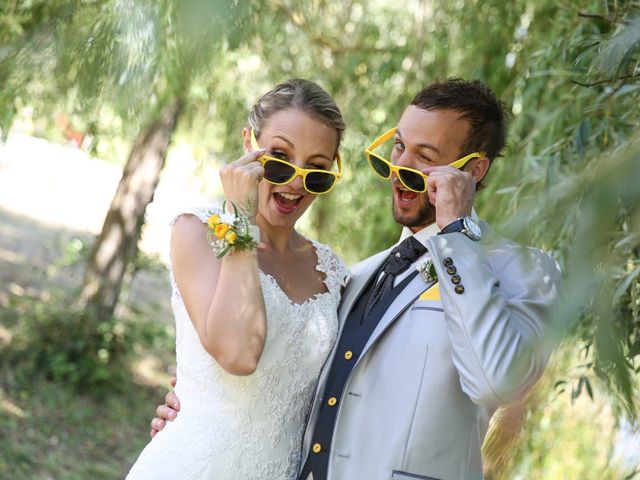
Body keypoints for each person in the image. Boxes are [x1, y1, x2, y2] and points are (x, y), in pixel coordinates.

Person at [152, 78, 562, 480]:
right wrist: (202, 408)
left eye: (425, 155)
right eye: (399, 146)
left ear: (472, 170)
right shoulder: (355, 275)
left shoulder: (524, 272)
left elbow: (498, 383)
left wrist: (456, 234)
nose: (400, 168)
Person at [126, 79, 349, 480]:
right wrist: (239, 221)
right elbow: (238, 354)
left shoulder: (333, 272)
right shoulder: (197, 232)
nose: (296, 182)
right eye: (280, 158)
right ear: (249, 143)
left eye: (316, 171)